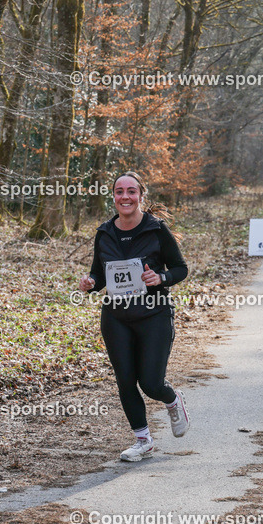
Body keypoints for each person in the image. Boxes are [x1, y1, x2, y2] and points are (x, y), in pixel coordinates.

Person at [78, 172, 190, 462]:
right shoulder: (104, 232)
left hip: (154, 314)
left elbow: (180, 268)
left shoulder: (156, 229)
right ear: (113, 196)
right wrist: (90, 282)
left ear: (141, 195)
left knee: (151, 384)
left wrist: (161, 277)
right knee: (126, 381)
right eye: (119, 191)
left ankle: (173, 400)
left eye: (131, 191)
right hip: (116, 317)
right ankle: (143, 441)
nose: (125, 197)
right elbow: (99, 273)